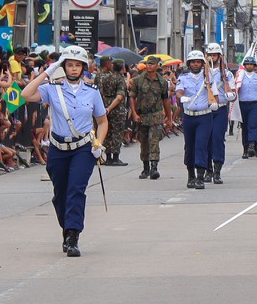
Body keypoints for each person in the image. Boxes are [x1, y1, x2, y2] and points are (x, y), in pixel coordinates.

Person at [21, 46, 108, 257]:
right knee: (61, 193)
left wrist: (98, 143)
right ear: (64, 66)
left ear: (83, 67)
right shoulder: (52, 88)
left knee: (76, 190)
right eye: (69, 64)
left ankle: (73, 235)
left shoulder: (92, 91)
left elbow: (102, 121)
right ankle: (66, 227)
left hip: (83, 148)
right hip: (59, 148)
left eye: (77, 65)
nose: (74, 68)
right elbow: (26, 94)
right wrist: (49, 70)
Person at [176, 50, 217, 189]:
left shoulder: (208, 77)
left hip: (204, 116)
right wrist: (181, 97)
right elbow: (179, 90)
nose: (195, 64)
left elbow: (214, 93)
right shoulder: (184, 77)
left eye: (198, 62)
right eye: (193, 62)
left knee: (201, 145)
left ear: (202, 63)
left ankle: (200, 176)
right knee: (189, 146)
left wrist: (215, 102)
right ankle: (190, 175)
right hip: (189, 116)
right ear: (189, 63)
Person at [129, 55, 174, 180]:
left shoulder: (162, 82)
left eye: (152, 64)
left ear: (157, 66)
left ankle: (154, 168)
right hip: (142, 115)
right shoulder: (138, 80)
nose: (149, 66)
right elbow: (132, 97)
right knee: (143, 142)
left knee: (154, 141)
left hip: (156, 115)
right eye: (148, 64)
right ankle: (145, 167)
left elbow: (166, 100)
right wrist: (134, 114)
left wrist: (169, 118)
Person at [205, 43, 234, 183]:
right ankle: (207, 169)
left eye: (214, 55)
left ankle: (217, 170)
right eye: (210, 55)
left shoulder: (227, 74)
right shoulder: (202, 74)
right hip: (206, 110)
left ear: (219, 57)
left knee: (217, 138)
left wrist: (230, 95)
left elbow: (232, 91)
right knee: (205, 140)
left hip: (221, 109)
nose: (212, 57)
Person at [96, 56, 128, 166]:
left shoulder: (101, 76)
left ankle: (108, 157)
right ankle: (115, 157)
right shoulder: (119, 78)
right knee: (117, 132)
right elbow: (119, 97)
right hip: (116, 109)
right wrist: (110, 107)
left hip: (102, 106)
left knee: (107, 132)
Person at [236, 57, 257, 158]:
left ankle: (251, 145)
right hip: (242, 104)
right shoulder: (239, 77)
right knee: (244, 127)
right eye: (247, 64)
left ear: (254, 66)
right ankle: (245, 149)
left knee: (252, 125)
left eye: (251, 64)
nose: (249, 66)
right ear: (244, 66)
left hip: (254, 104)